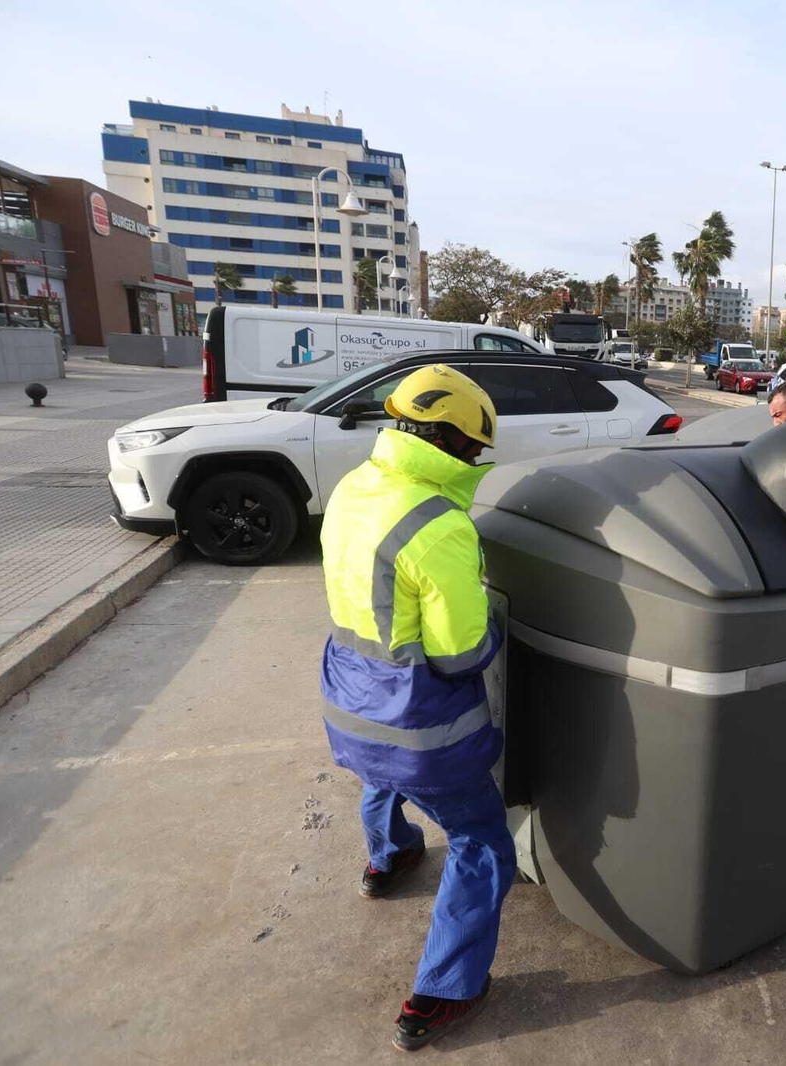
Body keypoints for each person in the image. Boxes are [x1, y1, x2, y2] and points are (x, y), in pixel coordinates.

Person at [319, 364, 515, 1051]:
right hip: (420, 727)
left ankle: (389, 859)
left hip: (348, 701)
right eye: (475, 446)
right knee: (482, 841)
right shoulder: (439, 523)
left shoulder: (353, 487)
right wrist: (498, 623)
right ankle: (443, 993)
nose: (477, 458)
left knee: (382, 774)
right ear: (451, 441)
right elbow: (461, 655)